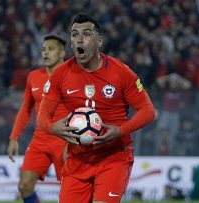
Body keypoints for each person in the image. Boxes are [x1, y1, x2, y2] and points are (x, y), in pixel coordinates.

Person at [37, 13, 156, 203]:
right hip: (77, 160)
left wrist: (121, 130)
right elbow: (42, 116)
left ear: (99, 40)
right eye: (74, 34)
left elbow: (148, 111)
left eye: (86, 34)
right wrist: (53, 128)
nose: (79, 39)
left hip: (114, 157)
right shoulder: (60, 75)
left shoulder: (121, 73)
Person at [7, 34, 69, 203]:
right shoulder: (34, 76)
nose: (45, 53)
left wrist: (73, 142)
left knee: (70, 192)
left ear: (62, 53)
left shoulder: (72, 75)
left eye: (51, 49)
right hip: (40, 140)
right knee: (24, 186)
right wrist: (14, 137)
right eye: (43, 49)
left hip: (65, 140)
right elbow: (25, 109)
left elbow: (81, 111)